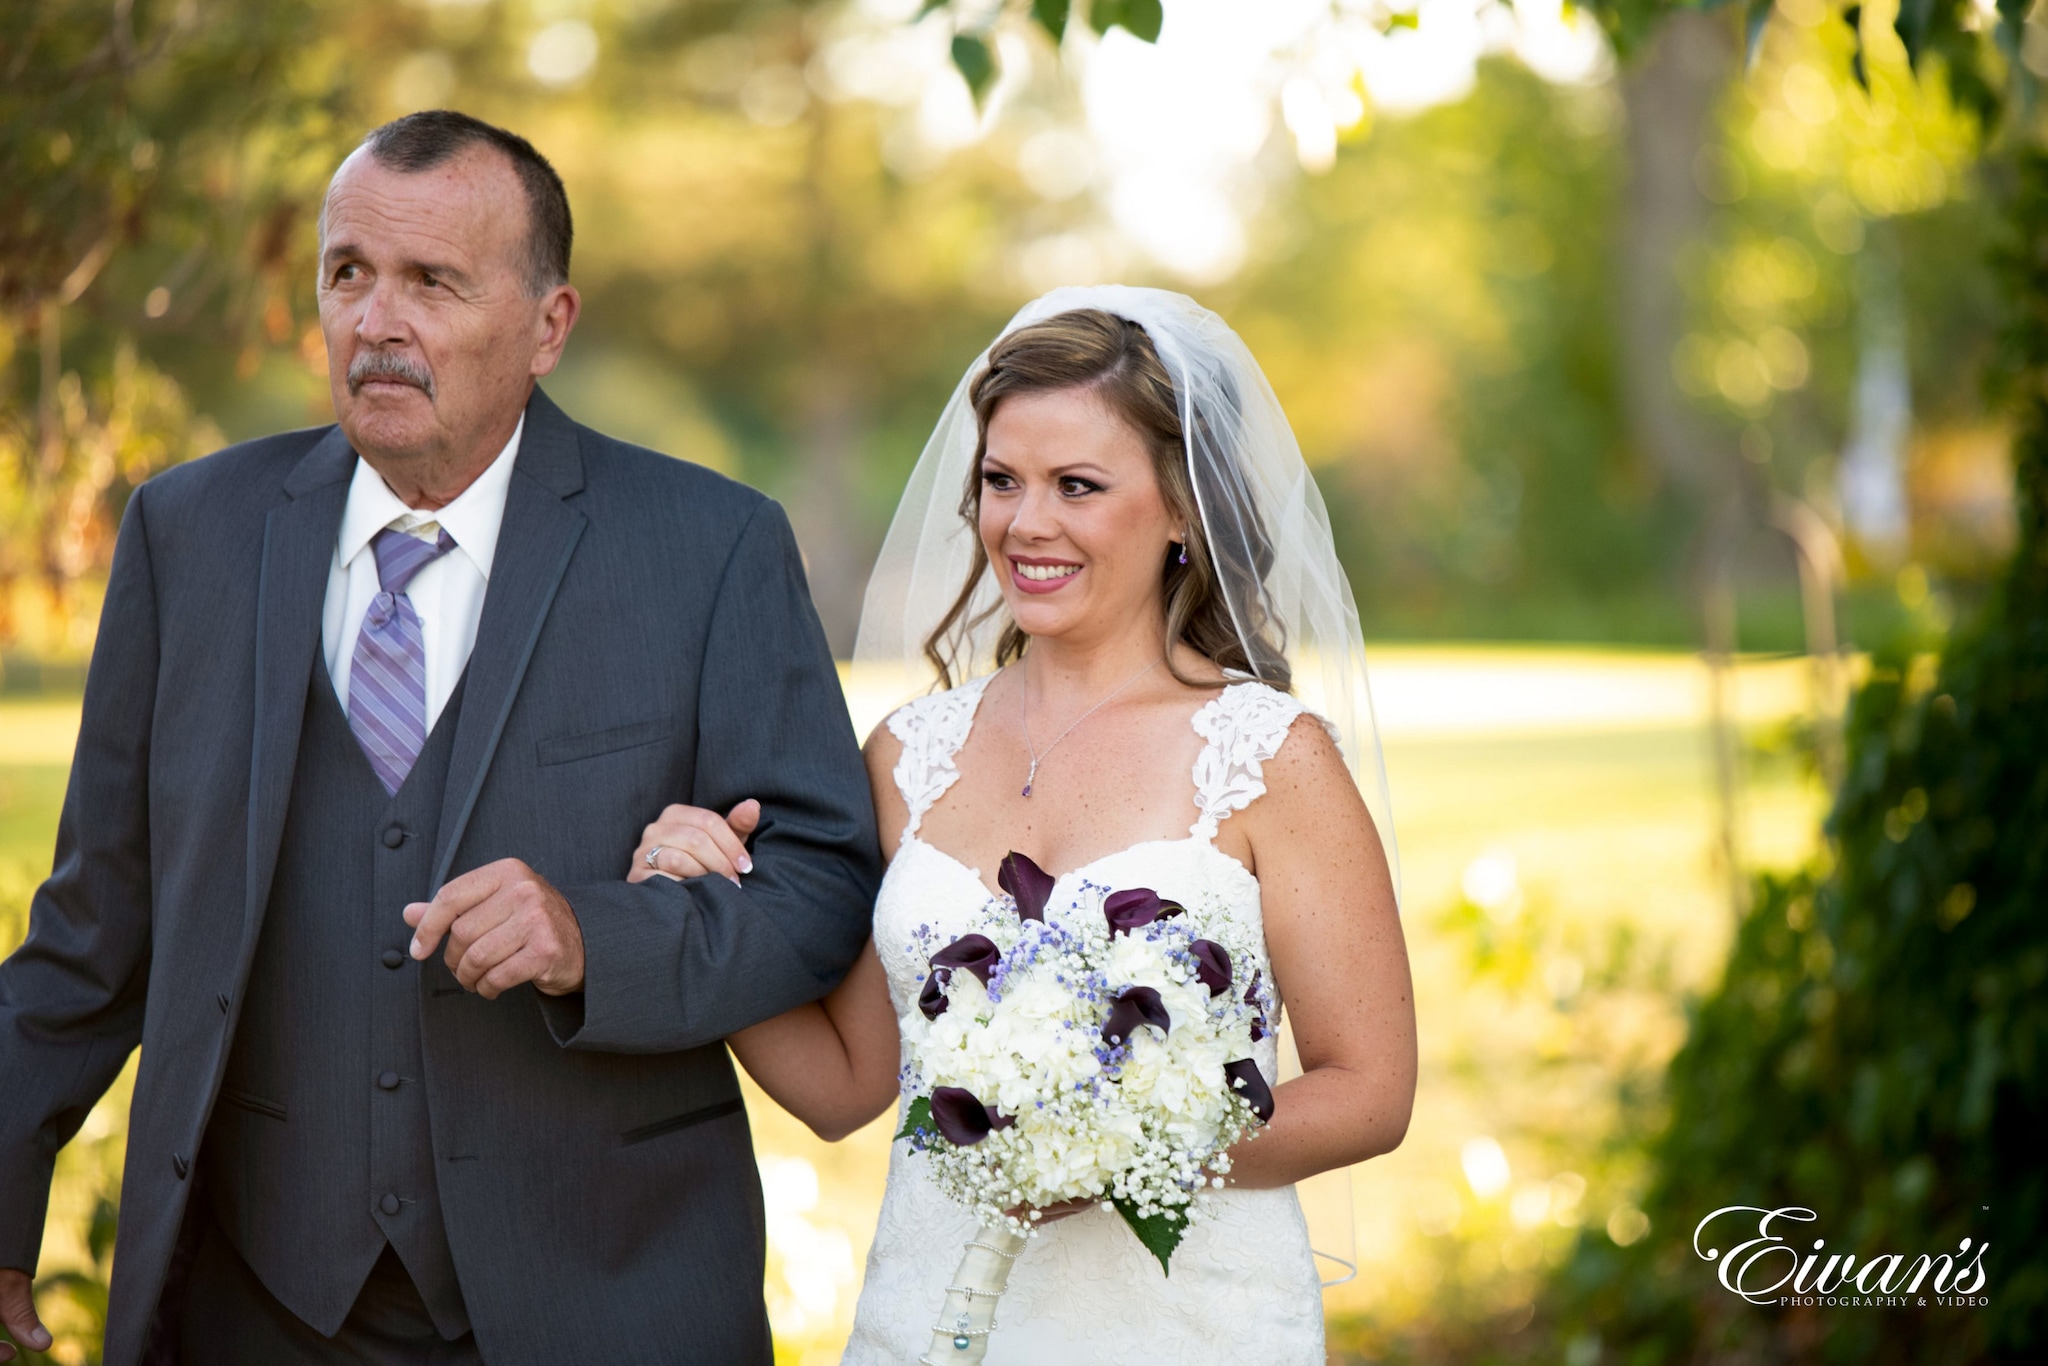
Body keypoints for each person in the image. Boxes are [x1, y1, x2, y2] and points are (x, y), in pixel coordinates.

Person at [0, 111, 879, 1365]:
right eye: (347, 272)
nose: (375, 322)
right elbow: (90, 933)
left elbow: (823, 889)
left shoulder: (708, 547)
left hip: (602, 1297)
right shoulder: (187, 534)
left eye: (431, 282)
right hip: (255, 1306)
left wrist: (595, 936)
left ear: (548, 324)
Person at [633, 287, 1417, 1362]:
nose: (1024, 523)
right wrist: (703, 913)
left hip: (1186, 1324)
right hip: (934, 1316)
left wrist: (1115, 1145)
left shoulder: (1270, 757)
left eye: (1076, 486)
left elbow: (1369, 1092)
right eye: (1001, 481)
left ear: (1182, 507)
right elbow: (843, 1085)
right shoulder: (909, 753)